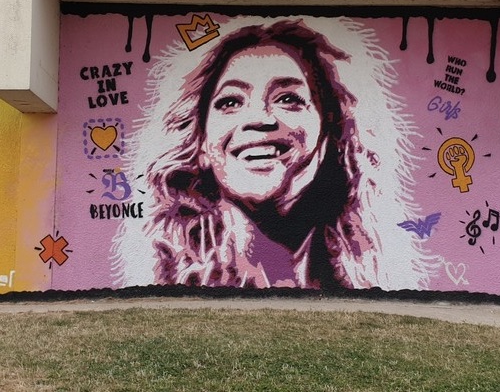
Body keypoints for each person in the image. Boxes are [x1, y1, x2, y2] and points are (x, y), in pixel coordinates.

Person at [113, 16, 434, 291]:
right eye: (230, 102)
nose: (259, 118)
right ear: (200, 144)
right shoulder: (165, 279)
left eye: (288, 98)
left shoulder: (371, 274)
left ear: (330, 130)